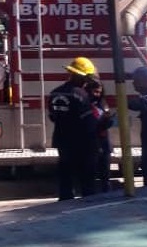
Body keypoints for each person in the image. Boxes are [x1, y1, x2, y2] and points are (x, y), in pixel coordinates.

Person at [48, 57, 99, 200]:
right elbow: (89, 122)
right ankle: (88, 205)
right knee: (87, 179)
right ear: (82, 76)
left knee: (65, 173)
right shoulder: (81, 95)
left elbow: (53, 116)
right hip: (82, 142)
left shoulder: (54, 93)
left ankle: (65, 201)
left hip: (62, 140)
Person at [85, 77, 115, 192]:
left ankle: (106, 193)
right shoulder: (86, 105)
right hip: (91, 144)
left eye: (99, 92)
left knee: (105, 174)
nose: (97, 94)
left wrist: (108, 121)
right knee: (90, 175)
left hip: (104, 143)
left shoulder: (102, 104)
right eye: (94, 91)